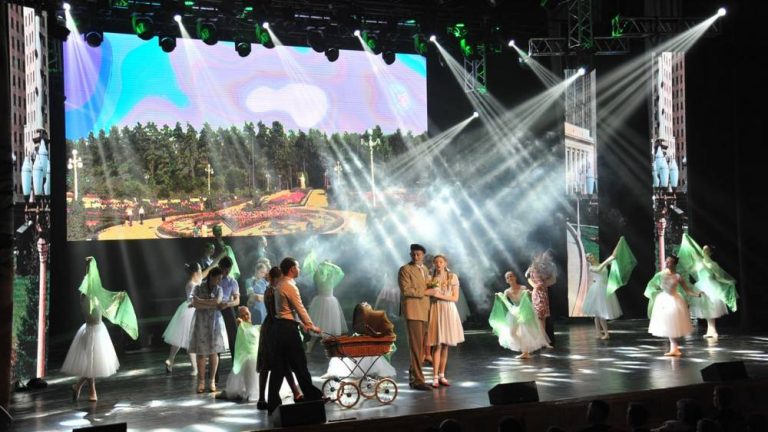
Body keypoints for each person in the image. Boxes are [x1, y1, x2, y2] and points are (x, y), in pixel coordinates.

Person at [63, 257, 139, 402]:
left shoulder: (97, 294)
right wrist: (88, 267)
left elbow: (108, 300)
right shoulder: (86, 294)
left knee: (92, 363)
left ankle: (80, 387)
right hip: (90, 331)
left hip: (98, 330)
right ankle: (88, 389)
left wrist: (119, 297)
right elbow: (91, 289)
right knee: (91, 363)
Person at [266, 257, 325, 414]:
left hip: (280, 329)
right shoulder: (289, 286)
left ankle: (272, 402)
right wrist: (311, 325)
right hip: (287, 331)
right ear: (292, 269)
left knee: (279, 368)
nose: (299, 269)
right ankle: (313, 397)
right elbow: (300, 308)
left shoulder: (281, 284)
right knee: (300, 364)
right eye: (297, 267)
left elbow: (287, 310)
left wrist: (302, 324)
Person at [255, 267, 302, 410]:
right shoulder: (274, 291)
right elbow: (277, 312)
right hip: (275, 327)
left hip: (268, 326)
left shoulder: (269, 290)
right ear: (278, 277)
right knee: (282, 362)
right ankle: (295, 393)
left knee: (267, 365)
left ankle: (262, 398)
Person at [678, 234, 738, 339]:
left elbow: (719, 276)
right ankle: (710, 331)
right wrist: (685, 238)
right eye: (703, 249)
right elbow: (692, 251)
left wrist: (729, 281)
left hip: (711, 287)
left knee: (711, 308)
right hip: (701, 287)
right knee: (705, 308)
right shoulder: (699, 262)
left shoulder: (712, 264)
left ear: (710, 253)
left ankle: (713, 331)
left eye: (706, 250)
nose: (704, 251)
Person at [645, 255, 703, 356]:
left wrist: (697, 294)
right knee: (667, 324)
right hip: (663, 300)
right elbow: (651, 285)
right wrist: (654, 293)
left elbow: (687, 290)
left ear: (674, 264)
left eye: (670, 261)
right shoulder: (660, 275)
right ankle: (674, 349)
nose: (667, 263)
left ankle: (675, 349)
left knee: (672, 324)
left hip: (674, 301)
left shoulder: (677, 276)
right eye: (666, 261)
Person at [582, 237, 636, 339]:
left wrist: (618, 246)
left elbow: (614, 257)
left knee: (598, 313)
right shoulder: (591, 268)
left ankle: (599, 333)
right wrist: (609, 259)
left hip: (604, 288)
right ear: (587, 261)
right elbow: (599, 268)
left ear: (594, 256)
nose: (590, 257)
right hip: (597, 290)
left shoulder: (601, 264)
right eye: (587, 257)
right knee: (599, 313)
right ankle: (605, 333)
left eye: (590, 255)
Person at [425, 255, 465, 387]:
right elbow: (425, 293)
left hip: (448, 309)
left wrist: (439, 295)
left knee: (445, 345)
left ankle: (442, 375)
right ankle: (435, 376)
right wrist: (432, 293)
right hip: (436, 309)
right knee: (437, 344)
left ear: (445, 263)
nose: (438, 264)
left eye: (441, 262)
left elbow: (455, 298)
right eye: (436, 262)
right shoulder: (430, 278)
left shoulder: (452, 276)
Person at [489, 271, 548, 359]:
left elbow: (528, 299)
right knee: (512, 333)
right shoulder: (507, 291)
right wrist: (499, 296)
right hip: (514, 313)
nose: (510, 278)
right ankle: (525, 349)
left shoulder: (523, 288)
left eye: (511, 276)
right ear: (506, 281)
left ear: (515, 277)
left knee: (525, 332)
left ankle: (525, 352)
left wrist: (528, 294)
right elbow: (504, 301)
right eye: (508, 277)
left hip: (524, 311)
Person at [398, 244, 433, 391]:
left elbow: (429, 286)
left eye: (418, 254)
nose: (415, 256)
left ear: (423, 255)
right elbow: (406, 290)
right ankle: (418, 380)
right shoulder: (405, 269)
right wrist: (425, 291)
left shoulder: (424, 269)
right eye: (413, 254)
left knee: (421, 348)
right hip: (413, 311)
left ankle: (414, 378)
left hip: (425, 311)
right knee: (416, 347)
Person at [189, 267, 228, 393]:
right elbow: (194, 303)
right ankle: (201, 382)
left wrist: (202, 301)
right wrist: (209, 303)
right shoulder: (198, 288)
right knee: (201, 353)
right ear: (211, 276)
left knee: (213, 352)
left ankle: (211, 381)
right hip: (201, 322)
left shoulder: (219, 289)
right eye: (218, 278)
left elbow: (217, 302)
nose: (219, 281)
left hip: (214, 323)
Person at [162, 262, 202, 375]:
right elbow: (193, 299)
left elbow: (208, 271)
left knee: (179, 338)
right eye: (200, 269)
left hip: (187, 310)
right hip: (191, 310)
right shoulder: (192, 284)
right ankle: (195, 368)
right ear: (195, 272)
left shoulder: (194, 281)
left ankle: (170, 360)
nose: (201, 271)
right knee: (189, 340)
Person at [306, 260, 347, 352]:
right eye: (326, 266)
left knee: (330, 324)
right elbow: (320, 280)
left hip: (330, 301)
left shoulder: (332, 276)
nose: (328, 268)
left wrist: (330, 264)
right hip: (321, 301)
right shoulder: (318, 275)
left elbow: (341, 272)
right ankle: (310, 345)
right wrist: (323, 266)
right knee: (319, 323)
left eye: (329, 267)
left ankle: (331, 348)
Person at [223, 306, 260, 401]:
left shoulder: (256, 328)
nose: (246, 317)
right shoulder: (242, 327)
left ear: (250, 313)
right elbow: (240, 325)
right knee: (250, 362)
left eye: (247, 314)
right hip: (248, 357)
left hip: (257, 355)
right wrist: (240, 322)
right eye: (243, 315)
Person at [526, 252, 557, 347]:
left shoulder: (547, 267)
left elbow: (553, 279)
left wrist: (544, 284)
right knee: (540, 317)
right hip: (538, 293)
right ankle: (541, 341)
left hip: (545, 293)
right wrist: (535, 285)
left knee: (543, 318)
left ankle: (543, 340)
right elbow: (528, 277)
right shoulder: (532, 268)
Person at [217, 257, 240, 360]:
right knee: (216, 338)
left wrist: (227, 304)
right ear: (220, 267)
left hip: (227, 309)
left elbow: (237, 300)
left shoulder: (232, 281)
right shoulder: (213, 280)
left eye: (229, 270)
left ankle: (235, 364)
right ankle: (215, 367)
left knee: (233, 337)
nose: (227, 272)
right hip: (214, 308)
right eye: (225, 269)